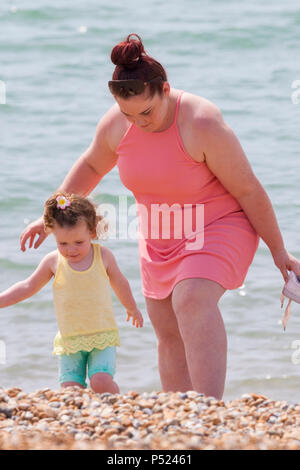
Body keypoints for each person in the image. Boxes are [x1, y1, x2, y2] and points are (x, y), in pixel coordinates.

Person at [20, 34, 300, 400]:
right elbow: (91, 164)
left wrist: (279, 251)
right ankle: (181, 413)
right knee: (166, 328)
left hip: (220, 224)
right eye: (128, 114)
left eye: (146, 112)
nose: (138, 122)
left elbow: (248, 190)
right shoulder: (116, 126)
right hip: (161, 232)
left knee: (192, 298)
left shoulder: (202, 122)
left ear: (164, 90)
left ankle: (210, 407)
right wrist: (51, 212)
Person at [1, 192, 143, 393]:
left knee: (100, 382)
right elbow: (28, 286)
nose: (71, 250)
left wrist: (132, 307)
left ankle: (117, 409)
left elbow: (119, 282)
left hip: (102, 335)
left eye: (78, 242)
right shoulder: (52, 261)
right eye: (63, 244)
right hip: (70, 338)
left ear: (92, 232)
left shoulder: (103, 256)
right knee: (71, 390)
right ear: (53, 235)